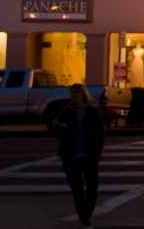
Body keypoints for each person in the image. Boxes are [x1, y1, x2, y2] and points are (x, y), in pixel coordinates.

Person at [52, 83, 106, 228]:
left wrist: (97, 152)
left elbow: (101, 134)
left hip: (89, 156)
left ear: (83, 94)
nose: (74, 96)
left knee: (92, 189)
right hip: (71, 157)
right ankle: (84, 219)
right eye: (71, 93)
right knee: (77, 191)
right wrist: (60, 129)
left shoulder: (93, 112)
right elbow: (58, 135)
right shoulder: (66, 112)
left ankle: (87, 214)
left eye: (76, 93)